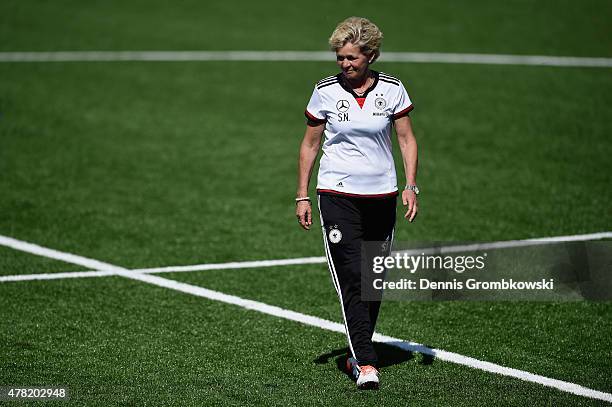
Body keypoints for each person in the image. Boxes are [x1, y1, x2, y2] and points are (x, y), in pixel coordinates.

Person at [295, 16, 419, 390]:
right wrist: (302, 193)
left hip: (382, 196)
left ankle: (356, 351)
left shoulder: (394, 89)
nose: (345, 64)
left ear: (371, 55)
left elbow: (407, 140)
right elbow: (310, 145)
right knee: (351, 277)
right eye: (340, 58)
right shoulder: (325, 91)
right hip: (336, 195)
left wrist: (411, 185)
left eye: (351, 58)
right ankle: (365, 362)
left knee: (373, 280)